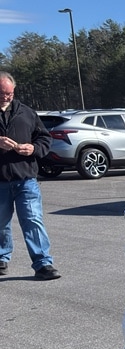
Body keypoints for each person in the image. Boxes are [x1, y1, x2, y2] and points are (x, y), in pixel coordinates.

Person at [0, 71, 60, 280]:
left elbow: (44, 139)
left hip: (26, 179)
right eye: (1, 93)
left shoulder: (26, 112)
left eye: (9, 93)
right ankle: (1, 258)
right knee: (0, 223)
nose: (5, 97)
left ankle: (43, 264)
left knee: (33, 220)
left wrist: (34, 149)